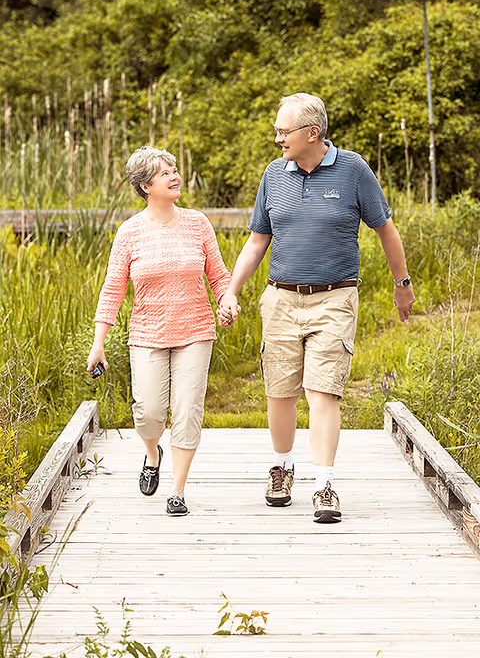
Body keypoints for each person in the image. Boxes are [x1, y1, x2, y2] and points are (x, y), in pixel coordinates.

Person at [217, 92, 415, 524]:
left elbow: (386, 230)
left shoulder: (353, 170)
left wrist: (402, 284)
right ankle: (283, 468)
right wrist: (231, 290)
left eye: (283, 131)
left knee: (323, 391)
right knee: (280, 391)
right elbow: (256, 242)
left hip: (335, 297)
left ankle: (324, 485)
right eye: (276, 130)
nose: (277, 139)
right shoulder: (273, 174)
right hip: (281, 298)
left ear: (312, 132)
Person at [87, 146, 231, 516]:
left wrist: (227, 300)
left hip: (196, 330)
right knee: (149, 412)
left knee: (187, 410)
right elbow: (113, 289)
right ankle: (153, 453)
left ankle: (177, 491)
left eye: (174, 168)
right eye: (165, 172)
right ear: (145, 185)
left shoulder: (198, 223)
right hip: (148, 333)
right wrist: (98, 344)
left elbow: (218, 275)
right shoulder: (130, 233)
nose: (174, 175)